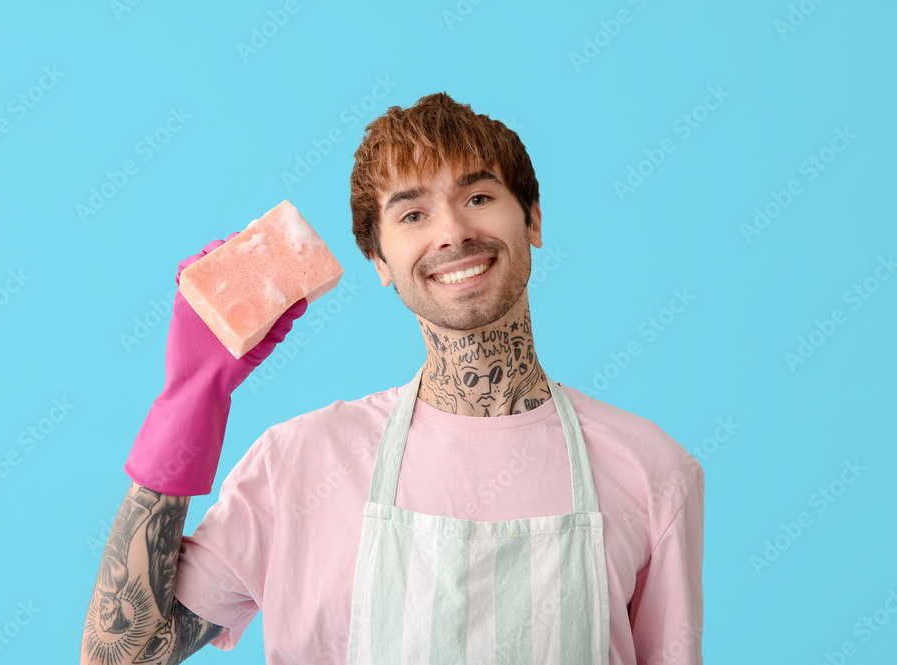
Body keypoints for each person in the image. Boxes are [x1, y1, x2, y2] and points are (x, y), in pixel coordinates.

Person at [80, 92, 704, 665]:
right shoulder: (298, 465)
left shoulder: (652, 474)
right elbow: (120, 657)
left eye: (479, 198)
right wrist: (189, 402)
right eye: (412, 215)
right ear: (379, 259)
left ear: (533, 222)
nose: (453, 232)